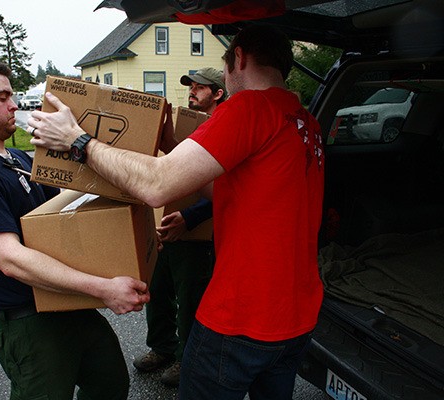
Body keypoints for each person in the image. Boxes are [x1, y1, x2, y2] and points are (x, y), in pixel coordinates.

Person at [29, 23, 325, 400]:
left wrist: (78, 142)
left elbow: (155, 186)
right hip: (296, 315)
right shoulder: (304, 121)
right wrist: (172, 147)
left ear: (238, 58)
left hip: (242, 318)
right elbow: (231, 190)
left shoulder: (250, 107)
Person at [0, 57, 150, 400]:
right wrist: (103, 288)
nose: (14, 105)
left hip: (68, 304)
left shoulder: (19, 159)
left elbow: (67, 216)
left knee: (110, 384)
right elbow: (11, 259)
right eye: (3, 97)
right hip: (29, 323)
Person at [132, 67, 226, 387]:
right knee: (156, 288)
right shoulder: (190, 126)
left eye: (201, 88)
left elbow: (229, 190)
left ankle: (188, 358)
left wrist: (190, 217)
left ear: (218, 94)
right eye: (191, 86)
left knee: (190, 299)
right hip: (166, 222)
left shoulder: (224, 129)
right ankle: (162, 347)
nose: (192, 92)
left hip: (198, 232)